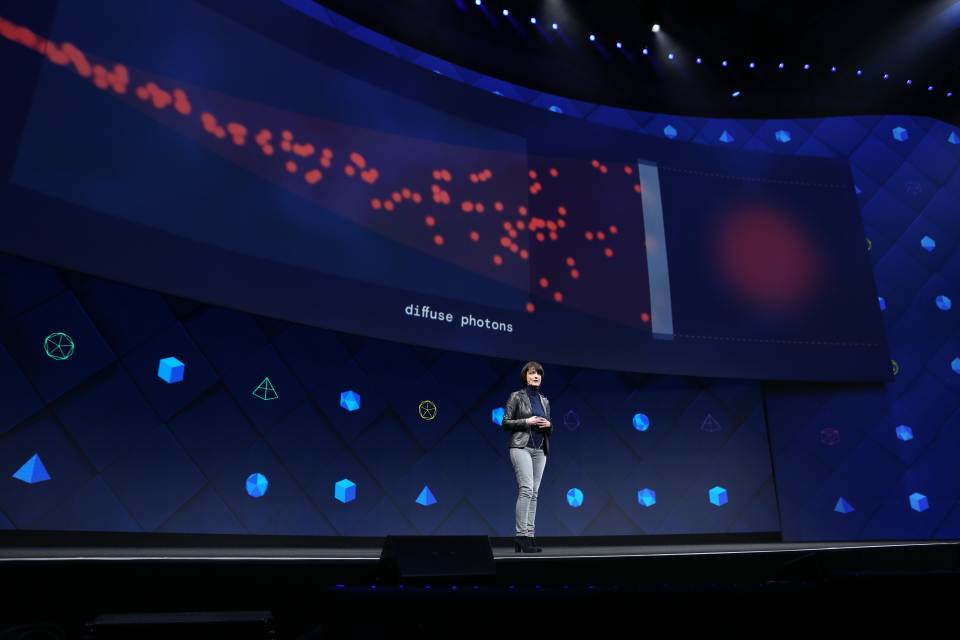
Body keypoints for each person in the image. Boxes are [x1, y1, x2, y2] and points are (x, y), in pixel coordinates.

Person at [502, 361, 552, 553]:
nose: (536, 376)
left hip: (540, 449)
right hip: (521, 446)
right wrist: (526, 421)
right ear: (525, 377)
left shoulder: (544, 400)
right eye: (532, 373)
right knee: (526, 489)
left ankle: (529, 537)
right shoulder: (516, 396)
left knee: (534, 493)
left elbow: (549, 428)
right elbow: (506, 422)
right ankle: (521, 536)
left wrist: (549, 426)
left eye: (538, 373)